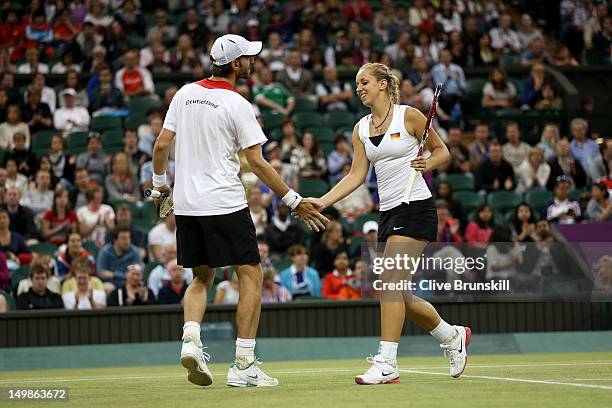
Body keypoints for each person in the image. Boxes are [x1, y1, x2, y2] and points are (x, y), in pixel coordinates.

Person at [150, 34, 327, 388]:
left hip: (186, 205)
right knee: (250, 275)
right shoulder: (239, 104)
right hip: (224, 203)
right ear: (235, 64)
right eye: (248, 57)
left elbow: (161, 145)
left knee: (202, 277)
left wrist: (158, 187)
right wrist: (294, 200)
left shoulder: (183, 94)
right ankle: (244, 364)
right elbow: (258, 165)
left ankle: (191, 339)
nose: (252, 62)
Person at [306, 63, 469, 384]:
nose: (358, 88)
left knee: (390, 283)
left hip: (417, 209)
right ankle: (452, 336)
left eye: (364, 82)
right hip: (388, 214)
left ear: (383, 84)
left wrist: (428, 162)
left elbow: (442, 151)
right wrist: (323, 201)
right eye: (356, 83)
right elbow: (355, 176)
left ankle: (387, 362)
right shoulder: (360, 129)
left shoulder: (409, 116)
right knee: (398, 294)